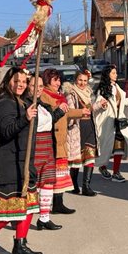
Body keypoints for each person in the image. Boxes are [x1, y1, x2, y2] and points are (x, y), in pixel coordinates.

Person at [0, 67, 44, 254]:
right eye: (16, 81)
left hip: (24, 160)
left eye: (23, 81)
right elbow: (6, 131)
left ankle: (20, 244)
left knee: (28, 204)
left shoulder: (22, 101)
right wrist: (25, 118)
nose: (20, 84)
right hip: (10, 162)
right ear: (8, 81)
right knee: (10, 208)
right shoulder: (5, 102)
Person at [41, 68, 90, 214]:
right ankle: (49, 207)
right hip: (53, 140)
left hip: (61, 140)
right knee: (53, 176)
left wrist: (81, 112)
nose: (58, 83)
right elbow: (52, 113)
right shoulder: (45, 95)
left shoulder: (57, 95)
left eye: (59, 80)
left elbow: (66, 111)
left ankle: (58, 204)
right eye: (55, 80)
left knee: (60, 175)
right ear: (47, 80)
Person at [28, 75, 65, 231]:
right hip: (34, 149)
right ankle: (23, 216)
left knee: (48, 183)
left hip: (48, 147)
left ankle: (44, 218)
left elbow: (48, 121)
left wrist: (60, 112)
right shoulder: (26, 106)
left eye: (41, 86)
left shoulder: (43, 105)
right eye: (33, 85)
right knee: (32, 185)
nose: (37, 89)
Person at [64, 70, 102, 196]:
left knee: (89, 156)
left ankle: (86, 186)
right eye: (80, 80)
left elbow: (90, 110)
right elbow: (70, 112)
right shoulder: (71, 94)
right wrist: (82, 112)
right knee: (76, 158)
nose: (82, 83)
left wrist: (99, 105)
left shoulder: (88, 93)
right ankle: (74, 185)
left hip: (89, 127)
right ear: (75, 80)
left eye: (85, 81)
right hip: (76, 128)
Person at [93, 65, 128, 182]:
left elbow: (118, 102)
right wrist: (103, 105)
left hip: (119, 121)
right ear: (108, 75)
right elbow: (98, 103)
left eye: (115, 73)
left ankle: (116, 172)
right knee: (106, 146)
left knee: (119, 147)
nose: (116, 75)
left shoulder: (116, 86)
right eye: (113, 73)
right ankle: (103, 167)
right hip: (107, 121)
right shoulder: (103, 88)